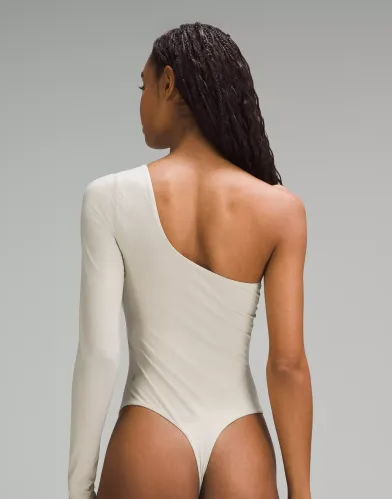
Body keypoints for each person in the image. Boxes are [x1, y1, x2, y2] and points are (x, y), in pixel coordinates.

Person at [68, 22, 312, 499]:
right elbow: (287, 365)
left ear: (168, 83)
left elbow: (99, 354)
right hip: (241, 441)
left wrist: (79, 486)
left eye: (143, 86)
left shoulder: (108, 198)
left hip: (150, 433)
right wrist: (302, 494)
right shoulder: (281, 210)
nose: (140, 103)